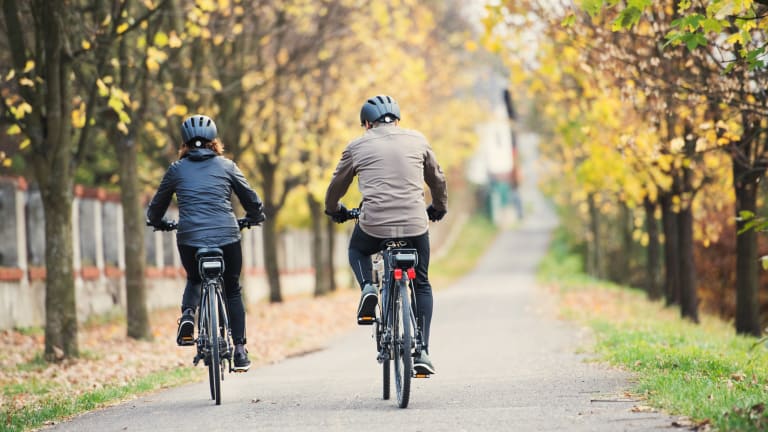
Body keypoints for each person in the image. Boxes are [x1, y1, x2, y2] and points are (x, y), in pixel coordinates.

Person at [324, 95, 447, 374]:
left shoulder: (357, 145)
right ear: (398, 120)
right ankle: (423, 351)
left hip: (374, 225)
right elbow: (437, 178)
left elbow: (337, 184)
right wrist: (438, 208)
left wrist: (334, 209)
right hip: (416, 225)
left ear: (367, 123)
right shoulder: (418, 140)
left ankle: (368, 286)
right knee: (423, 284)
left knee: (357, 250)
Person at [147, 114, 266, 372]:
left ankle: (189, 315)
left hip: (190, 238)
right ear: (215, 141)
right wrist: (255, 217)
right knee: (232, 288)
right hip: (227, 236)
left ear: (185, 144)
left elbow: (156, 206)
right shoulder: (227, 166)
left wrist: (157, 221)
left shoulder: (176, 170)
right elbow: (251, 199)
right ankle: (240, 350)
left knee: (194, 279)